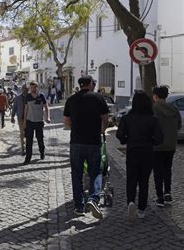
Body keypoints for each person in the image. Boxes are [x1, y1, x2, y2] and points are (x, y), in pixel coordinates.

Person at [63, 75, 109, 219]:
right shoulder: (98, 98)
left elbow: (66, 122)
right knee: (95, 172)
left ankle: (79, 207)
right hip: (93, 142)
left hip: (76, 142)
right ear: (90, 84)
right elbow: (106, 118)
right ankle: (93, 199)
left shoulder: (71, 99)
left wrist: (76, 128)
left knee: (76, 174)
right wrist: (102, 130)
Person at [116, 91, 164, 222]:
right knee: (144, 182)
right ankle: (142, 209)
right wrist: (151, 142)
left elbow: (119, 134)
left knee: (131, 179)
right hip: (147, 152)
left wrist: (126, 140)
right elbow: (160, 138)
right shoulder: (153, 119)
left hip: (132, 151)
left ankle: (131, 202)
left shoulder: (127, 118)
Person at [152, 85, 182, 207]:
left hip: (157, 145)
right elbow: (179, 126)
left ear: (156, 96)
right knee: (167, 169)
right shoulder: (174, 109)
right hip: (171, 144)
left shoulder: (153, 108)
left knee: (157, 171)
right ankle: (168, 192)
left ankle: (160, 197)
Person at [23, 81, 50, 165]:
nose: (32, 89)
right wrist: (24, 121)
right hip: (30, 121)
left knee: (40, 139)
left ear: (37, 87)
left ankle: (42, 152)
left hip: (39, 121)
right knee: (29, 141)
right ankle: (28, 158)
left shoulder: (41, 96)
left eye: (34, 87)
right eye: (31, 88)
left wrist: (47, 117)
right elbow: (26, 109)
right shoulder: (28, 96)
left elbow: (46, 107)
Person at [11, 84, 29, 155]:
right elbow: (14, 107)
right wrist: (12, 116)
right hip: (20, 118)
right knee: (22, 133)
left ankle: (28, 147)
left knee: (28, 134)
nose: (26, 90)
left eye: (27, 89)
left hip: (29, 118)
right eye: (24, 89)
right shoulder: (18, 98)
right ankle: (23, 148)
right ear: (22, 89)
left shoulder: (30, 97)